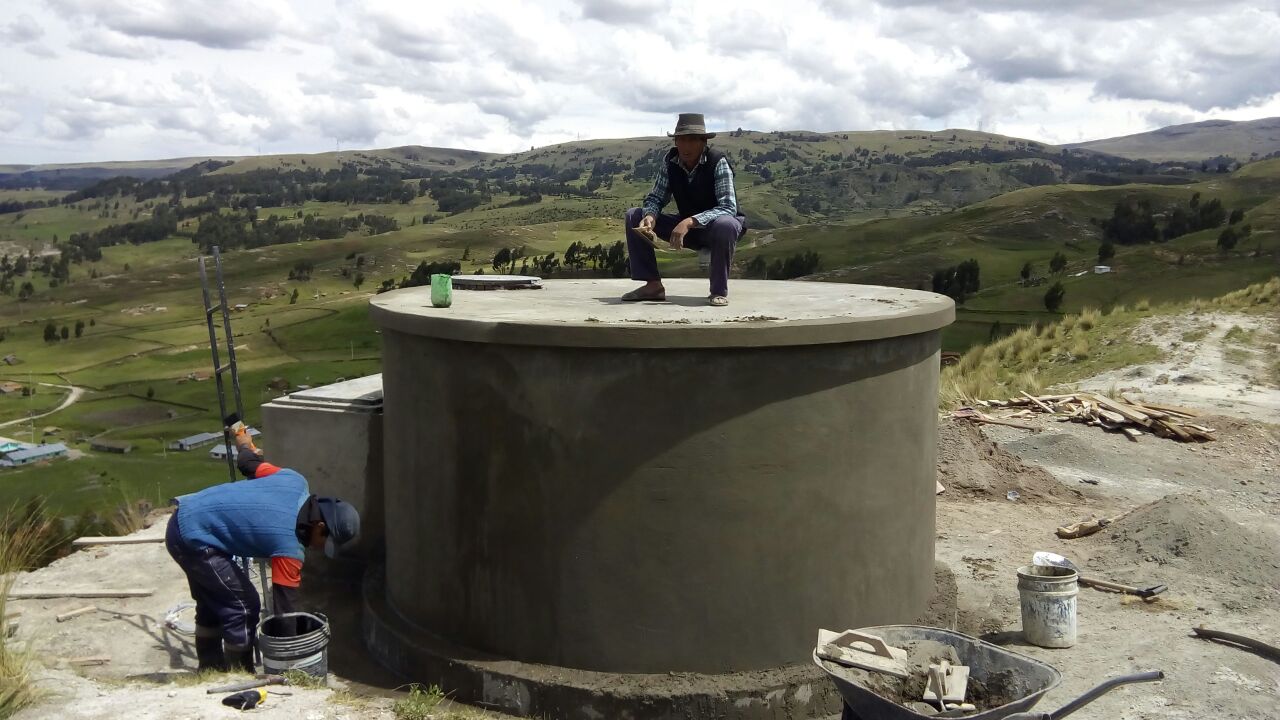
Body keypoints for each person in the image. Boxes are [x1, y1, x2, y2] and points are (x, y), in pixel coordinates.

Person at [164, 422, 360, 672]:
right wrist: (292, 654)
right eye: (326, 541)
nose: (321, 548)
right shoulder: (288, 548)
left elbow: (247, 462)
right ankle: (239, 672)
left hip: (185, 517)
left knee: (213, 600)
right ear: (320, 526)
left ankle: (210, 669)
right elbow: (285, 610)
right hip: (193, 540)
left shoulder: (293, 480)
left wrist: (242, 438)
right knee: (243, 606)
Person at [623, 112, 747, 307]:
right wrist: (650, 216)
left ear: (703, 142)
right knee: (634, 216)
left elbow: (728, 207)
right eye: (681, 140)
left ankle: (718, 291)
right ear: (675, 142)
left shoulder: (717, 162)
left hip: (715, 228)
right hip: (686, 228)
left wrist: (690, 221)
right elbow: (656, 197)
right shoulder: (670, 162)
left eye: (692, 140)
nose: (686, 146)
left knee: (726, 225)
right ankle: (652, 285)